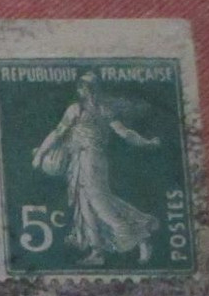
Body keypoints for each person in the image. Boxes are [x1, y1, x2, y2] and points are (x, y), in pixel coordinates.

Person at [31, 71, 161, 267]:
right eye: (83, 87)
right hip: (83, 160)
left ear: (88, 89)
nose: (84, 91)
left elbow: (59, 133)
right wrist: (147, 142)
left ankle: (141, 236)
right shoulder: (93, 110)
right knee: (85, 204)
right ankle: (97, 251)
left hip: (90, 160)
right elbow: (124, 133)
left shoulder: (85, 109)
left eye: (86, 87)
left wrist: (40, 154)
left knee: (101, 204)